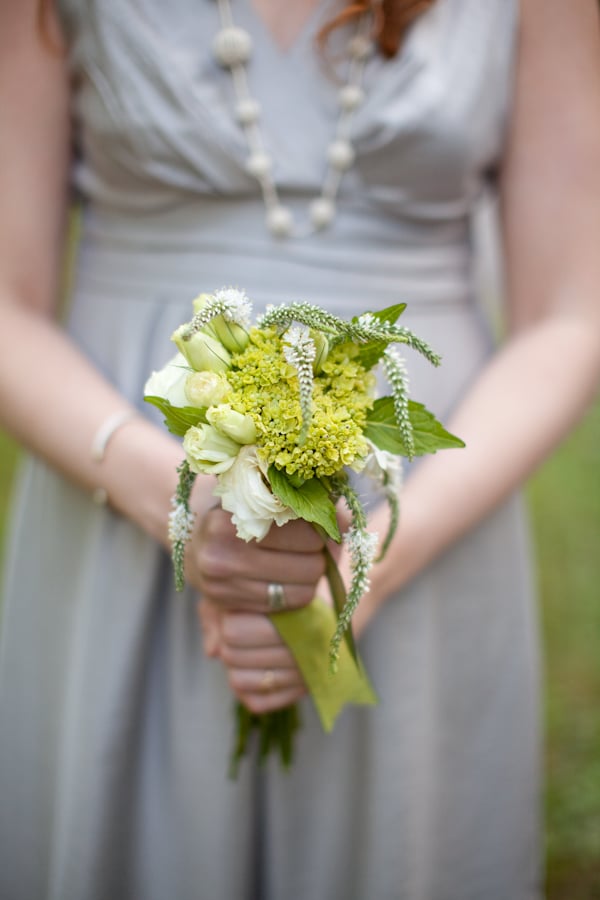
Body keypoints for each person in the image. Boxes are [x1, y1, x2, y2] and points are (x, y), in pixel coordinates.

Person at [1, 0, 599, 898]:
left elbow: (571, 313)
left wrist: (376, 556)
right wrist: (171, 496)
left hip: (432, 519)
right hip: (115, 498)